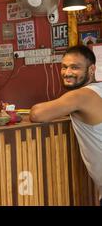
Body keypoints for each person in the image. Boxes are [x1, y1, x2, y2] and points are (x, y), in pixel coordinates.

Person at [30, 45, 102, 206]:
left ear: (92, 70)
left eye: (75, 67)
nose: (67, 72)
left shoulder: (81, 95)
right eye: (64, 67)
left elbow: (37, 114)